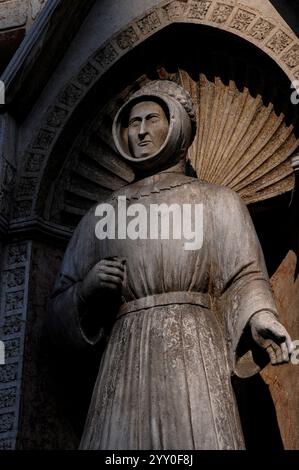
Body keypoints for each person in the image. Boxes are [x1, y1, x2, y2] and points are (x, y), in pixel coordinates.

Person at [49, 80, 293, 450]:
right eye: (133, 123)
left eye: (151, 118)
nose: (142, 130)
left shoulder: (217, 202)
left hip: (195, 352)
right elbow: (55, 317)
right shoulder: (101, 215)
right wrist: (86, 291)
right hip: (125, 354)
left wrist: (260, 316)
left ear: (176, 123)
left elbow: (244, 277)